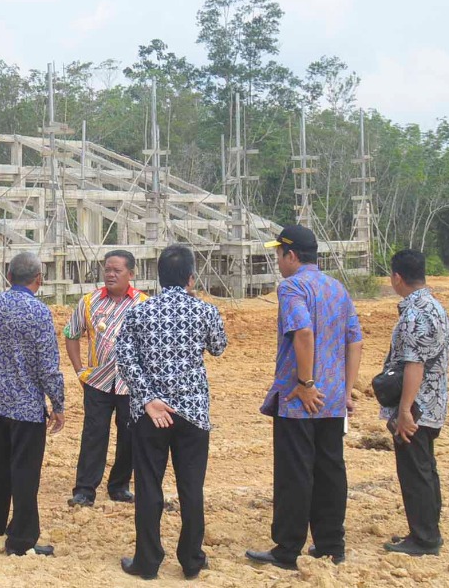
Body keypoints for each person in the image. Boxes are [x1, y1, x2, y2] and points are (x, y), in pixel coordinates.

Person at [247, 225, 363, 570]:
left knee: (294, 473)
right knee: (330, 470)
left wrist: (305, 381)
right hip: (332, 399)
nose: (278, 262)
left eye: (279, 255)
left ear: (291, 254)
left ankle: (287, 548)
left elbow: (303, 331)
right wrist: (346, 390)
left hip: (300, 399)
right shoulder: (337, 287)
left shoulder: (292, 286)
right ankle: (331, 545)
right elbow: (354, 339)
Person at [116, 245, 228, 580]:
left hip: (151, 414)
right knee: (191, 486)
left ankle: (147, 562)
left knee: (149, 486)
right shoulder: (204, 311)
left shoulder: (139, 312)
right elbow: (219, 347)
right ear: (191, 277)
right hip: (192, 411)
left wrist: (148, 397)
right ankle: (192, 560)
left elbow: (124, 359)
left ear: (159, 277)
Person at [0, 251, 65, 557]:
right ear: (38, 279)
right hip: (25, 409)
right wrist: (58, 403)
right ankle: (21, 539)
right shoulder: (39, 313)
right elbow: (47, 366)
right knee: (24, 474)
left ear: (8, 277)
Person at [381, 249, 449, 556]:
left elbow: (414, 364)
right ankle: (427, 530)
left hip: (417, 406)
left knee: (415, 472)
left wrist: (405, 410)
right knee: (426, 468)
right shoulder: (435, 308)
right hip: (433, 402)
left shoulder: (414, 313)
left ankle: (424, 538)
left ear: (397, 278)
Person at [65, 250, 148, 508]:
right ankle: (85, 490)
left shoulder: (144, 304)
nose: (110, 275)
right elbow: (71, 333)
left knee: (130, 435)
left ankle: (120, 485)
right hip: (97, 381)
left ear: (131, 274)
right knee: (93, 434)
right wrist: (80, 370)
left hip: (130, 383)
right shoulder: (89, 302)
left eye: (117, 271)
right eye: (107, 270)